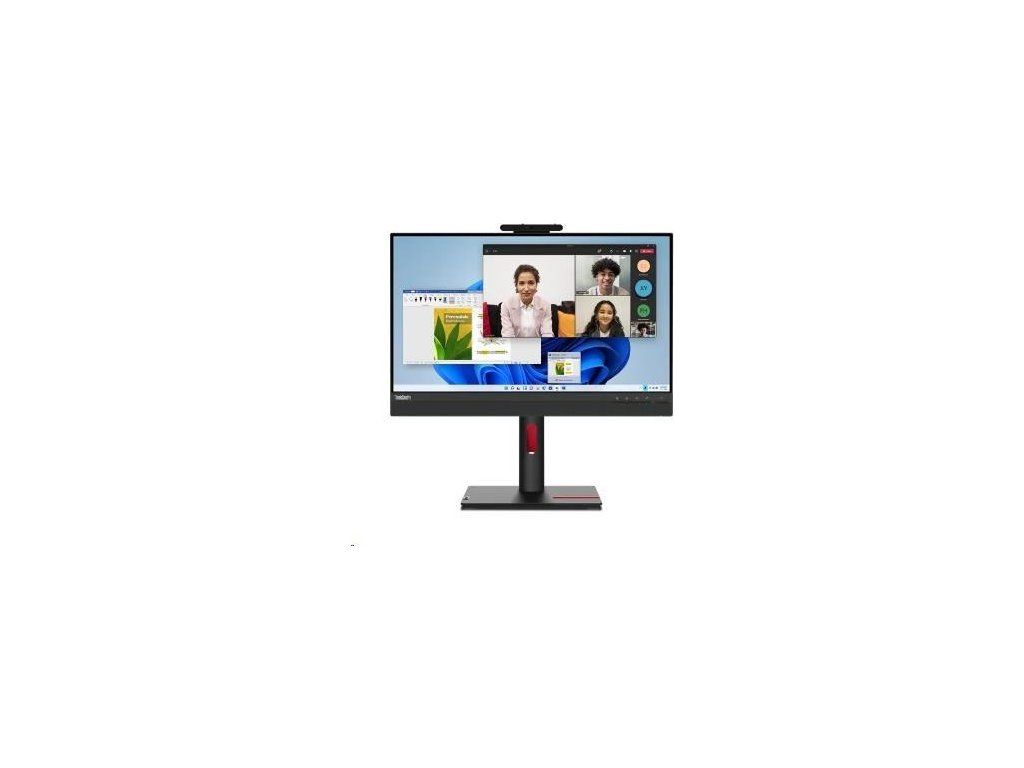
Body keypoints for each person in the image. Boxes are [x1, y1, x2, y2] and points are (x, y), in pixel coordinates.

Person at [500, 264, 553, 337]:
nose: (526, 289)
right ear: (516, 286)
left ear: (536, 285)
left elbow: (547, 334)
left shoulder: (545, 305)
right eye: (521, 283)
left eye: (531, 283)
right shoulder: (506, 305)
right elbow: (507, 335)